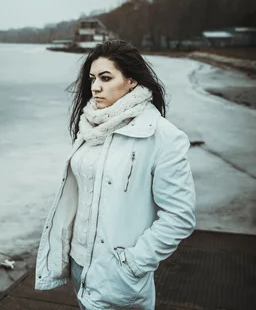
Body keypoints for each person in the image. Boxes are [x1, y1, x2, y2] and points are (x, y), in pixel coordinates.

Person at [34, 40, 196, 309]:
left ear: (131, 80)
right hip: (79, 262)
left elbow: (180, 216)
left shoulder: (162, 136)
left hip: (119, 274)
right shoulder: (91, 126)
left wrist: (133, 262)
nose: (95, 87)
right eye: (92, 78)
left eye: (106, 78)